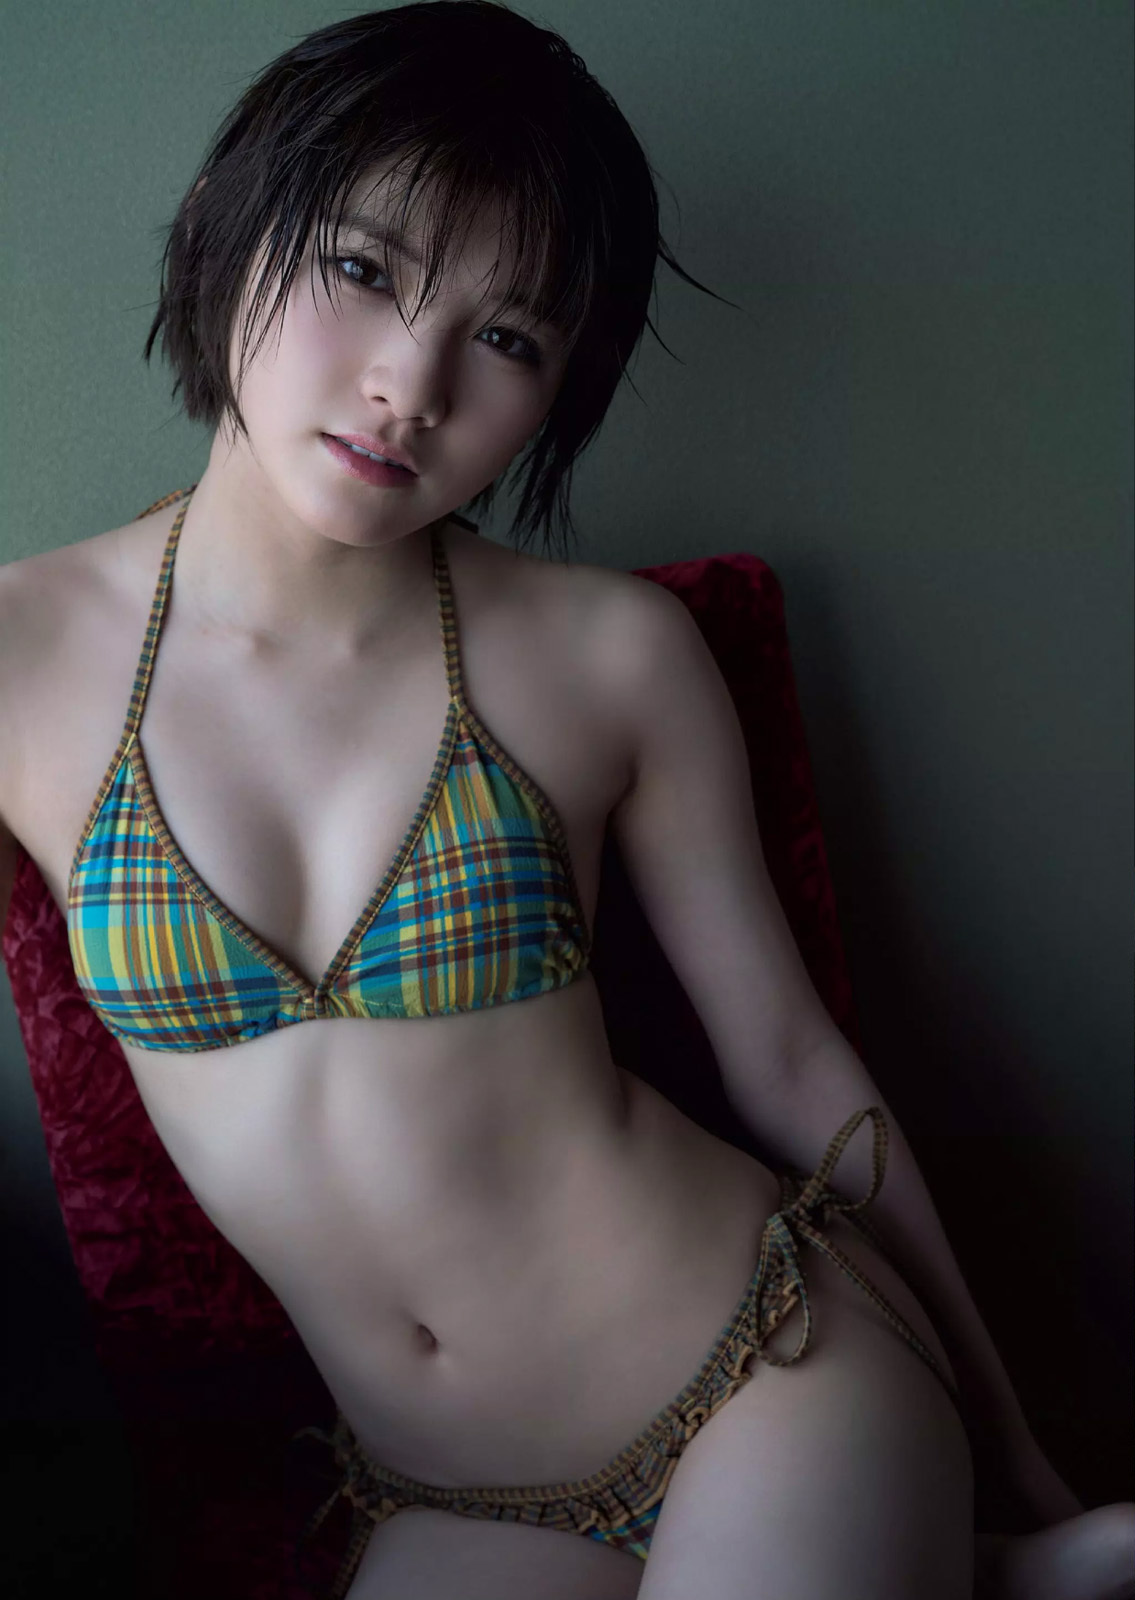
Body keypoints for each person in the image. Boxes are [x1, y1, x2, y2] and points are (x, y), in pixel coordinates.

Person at [0, 4, 1130, 1597]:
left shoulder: (612, 654)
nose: (410, 384)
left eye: (510, 339)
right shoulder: (24, 657)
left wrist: (1010, 1445)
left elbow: (791, 1060)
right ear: (218, 226)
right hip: (452, 1499)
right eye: (364, 268)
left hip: (765, 1372)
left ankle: (964, 1530)